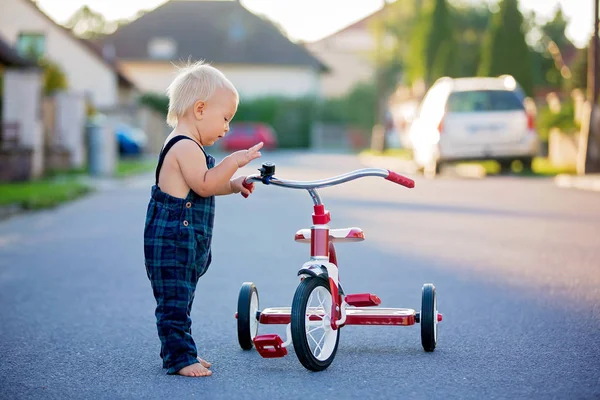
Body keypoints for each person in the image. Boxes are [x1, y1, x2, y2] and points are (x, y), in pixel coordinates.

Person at [144, 61, 262, 377]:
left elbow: (205, 187)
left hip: (183, 239)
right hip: (172, 240)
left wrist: (234, 185)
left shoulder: (190, 146)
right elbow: (205, 183)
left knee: (180, 301)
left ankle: (181, 351)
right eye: (225, 119)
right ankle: (180, 358)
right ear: (199, 109)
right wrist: (234, 162)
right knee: (174, 305)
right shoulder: (184, 145)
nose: (227, 128)